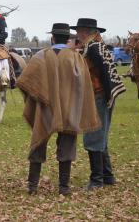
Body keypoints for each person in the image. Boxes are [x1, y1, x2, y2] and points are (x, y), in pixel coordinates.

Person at [18, 23, 101, 195]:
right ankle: (64, 188)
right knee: (67, 145)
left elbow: (24, 82)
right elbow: (83, 86)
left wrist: (35, 98)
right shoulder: (76, 58)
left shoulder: (40, 56)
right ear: (68, 39)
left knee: (38, 143)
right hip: (68, 108)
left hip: (45, 108)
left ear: (52, 38)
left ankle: (32, 187)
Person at [71, 18, 126, 190]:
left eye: (79, 31)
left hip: (99, 96)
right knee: (100, 135)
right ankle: (108, 176)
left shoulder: (94, 48)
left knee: (93, 135)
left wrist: (108, 96)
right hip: (102, 95)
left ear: (87, 31)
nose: (77, 34)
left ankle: (96, 180)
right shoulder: (96, 46)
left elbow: (103, 73)